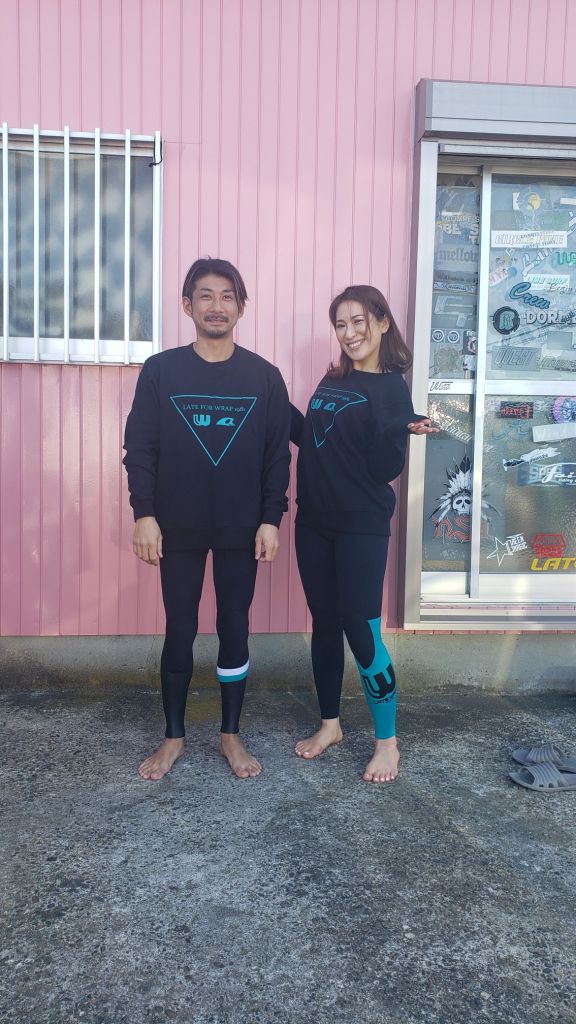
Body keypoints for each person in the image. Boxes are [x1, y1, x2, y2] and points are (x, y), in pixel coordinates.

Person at [123, 257, 290, 781]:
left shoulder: (265, 377)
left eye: (227, 296)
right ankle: (173, 736)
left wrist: (271, 518)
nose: (216, 306)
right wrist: (144, 514)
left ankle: (229, 735)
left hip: (242, 527)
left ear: (242, 307)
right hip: (178, 525)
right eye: (205, 295)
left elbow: (277, 456)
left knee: (234, 626)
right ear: (186, 305)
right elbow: (139, 448)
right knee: (180, 626)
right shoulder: (161, 370)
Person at [290, 285, 437, 783]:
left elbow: (382, 470)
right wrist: (270, 404)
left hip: (361, 526)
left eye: (358, 321)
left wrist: (397, 432)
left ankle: (387, 743)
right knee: (325, 623)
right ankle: (330, 725)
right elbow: (315, 437)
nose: (349, 333)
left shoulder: (392, 388)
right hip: (313, 521)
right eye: (340, 324)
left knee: (361, 630)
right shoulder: (335, 377)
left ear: (382, 322)